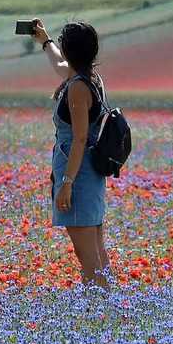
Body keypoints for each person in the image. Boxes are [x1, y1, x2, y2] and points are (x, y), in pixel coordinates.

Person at [32, 18, 112, 290]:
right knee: (95, 250)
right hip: (87, 171)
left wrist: (66, 184)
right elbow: (59, 65)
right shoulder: (88, 77)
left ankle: (99, 311)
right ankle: (105, 306)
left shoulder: (77, 87)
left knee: (87, 254)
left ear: (71, 50)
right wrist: (44, 40)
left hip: (79, 174)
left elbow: (79, 139)